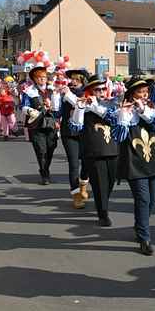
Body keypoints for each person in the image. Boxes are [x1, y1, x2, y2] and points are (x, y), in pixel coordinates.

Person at [112, 76, 155, 256]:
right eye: (140, 93)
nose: (144, 95)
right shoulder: (122, 112)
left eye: (146, 92)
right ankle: (144, 238)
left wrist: (144, 109)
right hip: (134, 161)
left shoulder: (153, 108)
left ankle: (140, 224)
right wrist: (123, 115)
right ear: (131, 94)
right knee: (143, 199)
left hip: (153, 159)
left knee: (153, 198)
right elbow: (119, 137)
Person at [69, 75, 119, 227]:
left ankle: (103, 204)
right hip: (93, 151)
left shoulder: (111, 104)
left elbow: (114, 119)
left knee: (109, 183)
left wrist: (97, 106)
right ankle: (103, 213)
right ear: (90, 91)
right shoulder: (82, 106)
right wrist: (80, 107)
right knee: (99, 184)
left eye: (103, 89)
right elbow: (75, 127)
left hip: (113, 149)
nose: (102, 92)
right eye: (97, 90)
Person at [21, 64, 61, 185]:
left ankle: (45, 168)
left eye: (43, 77)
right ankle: (44, 174)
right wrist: (34, 111)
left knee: (50, 148)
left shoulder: (53, 90)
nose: (42, 79)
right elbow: (23, 106)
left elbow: (59, 109)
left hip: (51, 124)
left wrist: (58, 119)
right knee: (41, 150)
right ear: (34, 78)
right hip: (37, 125)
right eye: (38, 77)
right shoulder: (29, 92)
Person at [59, 68, 91, 209]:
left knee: (87, 162)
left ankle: (83, 186)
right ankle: (76, 195)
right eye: (72, 79)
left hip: (85, 133)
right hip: (69, 133)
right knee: (73, 164)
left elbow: (80, 103)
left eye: (77, 79)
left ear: (83, 81)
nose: (73, 82)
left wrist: (69, 95)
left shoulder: (88, 93)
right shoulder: (65, 92)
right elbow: (59, 111)